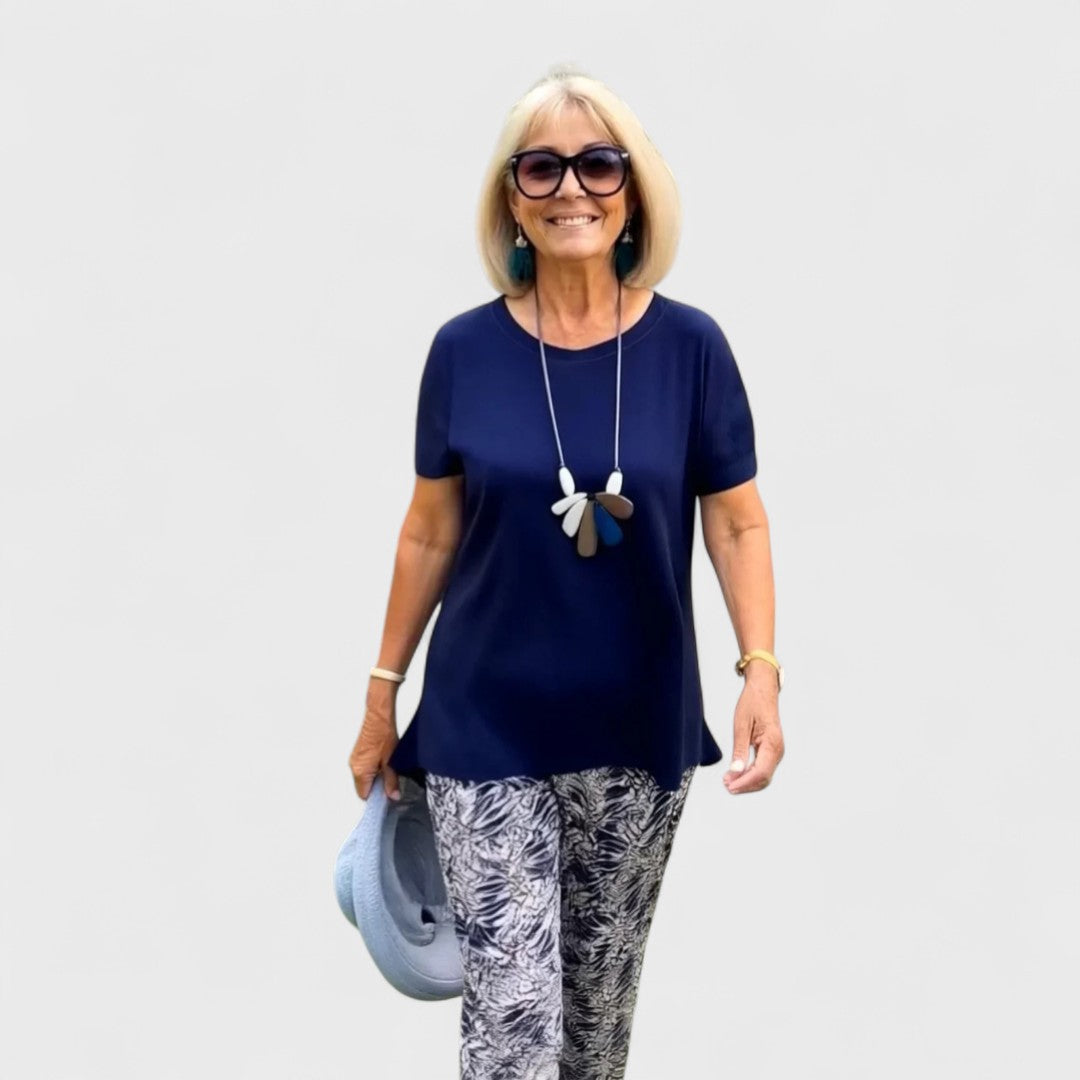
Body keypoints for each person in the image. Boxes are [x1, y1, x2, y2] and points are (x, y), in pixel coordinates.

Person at [349, 64, 785, 1080]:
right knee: (514, 1030)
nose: (570, 189)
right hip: (482, 729)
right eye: (540, 168)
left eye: (598, 165)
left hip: (636, 731)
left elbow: (737, 523)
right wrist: (381, 693)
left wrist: (759, 668)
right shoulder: (462, 352)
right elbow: (428, 534)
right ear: (511, 199)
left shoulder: (692, 350)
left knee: (591, 1034)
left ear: (633, 193)